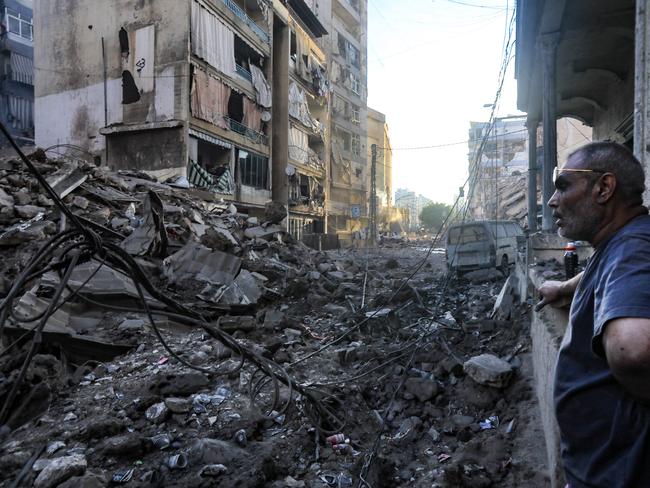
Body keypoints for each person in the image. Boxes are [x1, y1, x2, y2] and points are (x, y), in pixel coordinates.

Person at [536, 141, 650, 487]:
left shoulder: (632, 247)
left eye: (563, 186)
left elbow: (633, 350)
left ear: (604, 188)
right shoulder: (623, 243)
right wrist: (563, 288)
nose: (553, 200)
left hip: (619, 473)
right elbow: (603, 273)